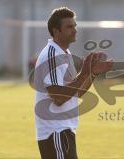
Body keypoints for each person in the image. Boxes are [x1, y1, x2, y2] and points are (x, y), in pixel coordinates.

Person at [34, 7, 113, 159]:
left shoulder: (64, 53)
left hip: (64, 130)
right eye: (69, 27)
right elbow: (58, 98)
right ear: (56, 31)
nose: (75, 30)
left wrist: (92, 73)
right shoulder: (51, 55)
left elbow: (75, 93)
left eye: (75, 26)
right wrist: (83, 72)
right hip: (55, 131)